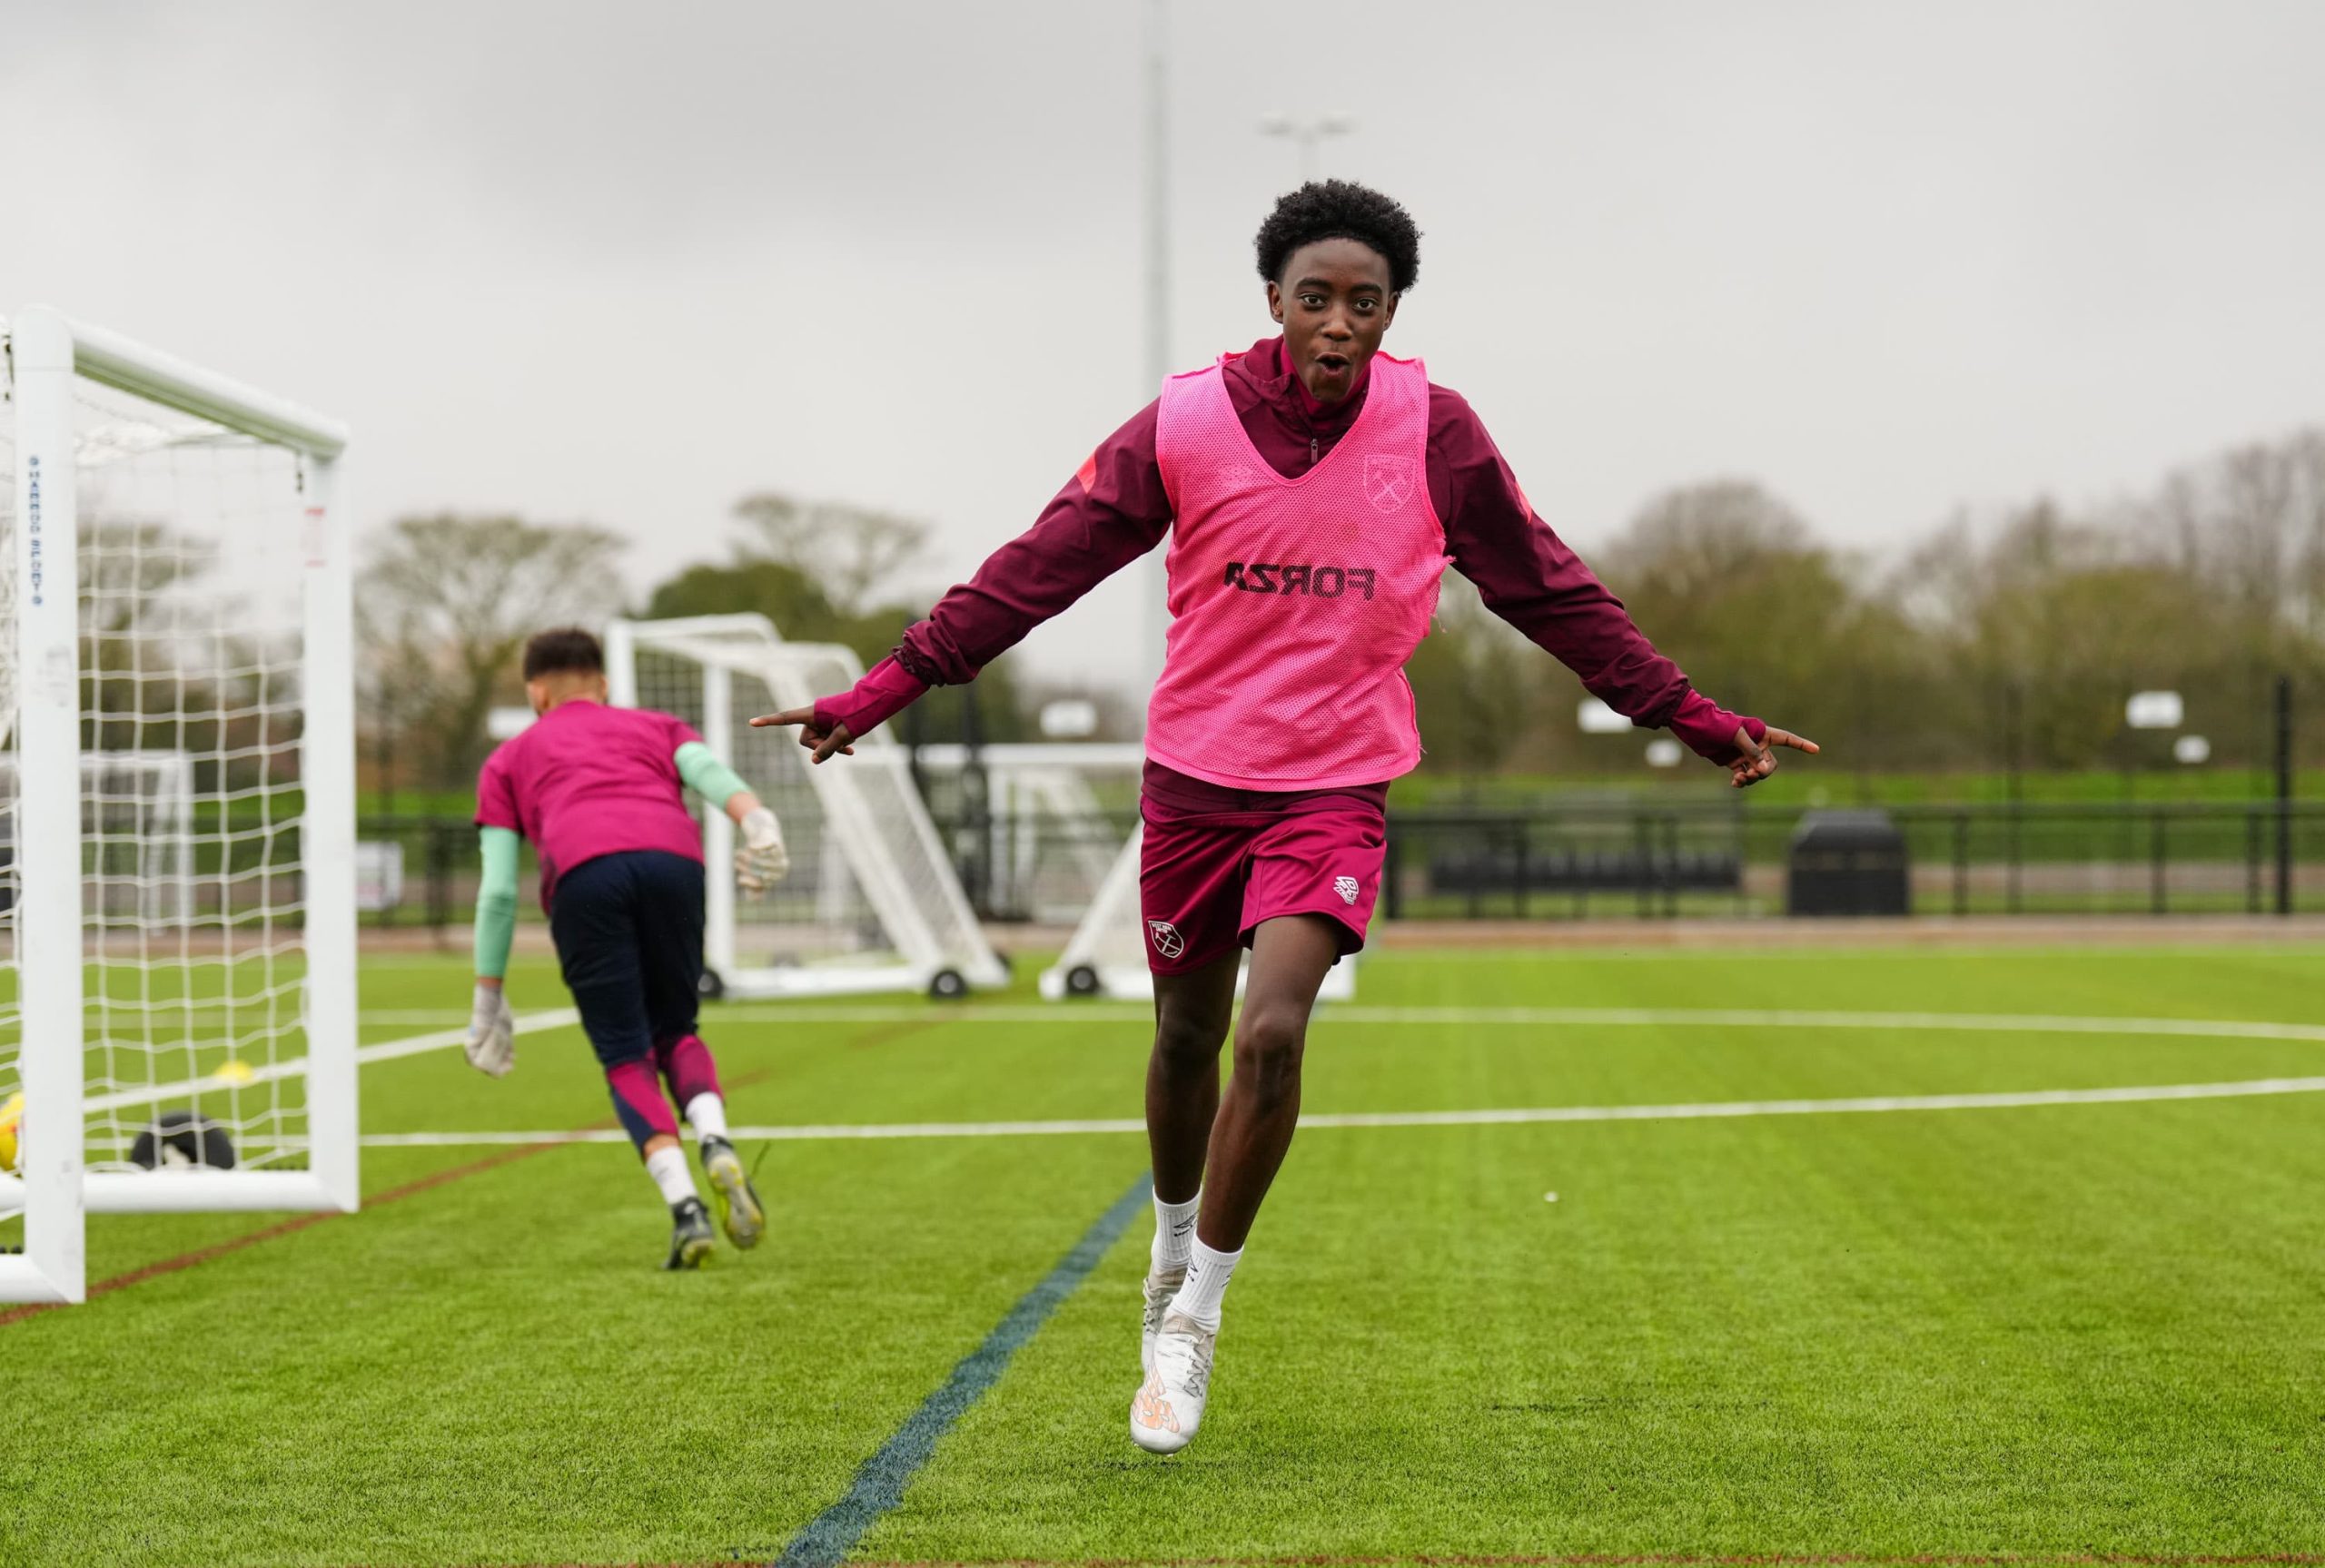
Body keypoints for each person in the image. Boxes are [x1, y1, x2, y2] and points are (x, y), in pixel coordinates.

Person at [755, 182, 1817, 1448]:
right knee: (1186, 1038)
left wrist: (1694, 717)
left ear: (1391, 315)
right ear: (1274, 299)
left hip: (1333, 787)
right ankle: (1167, 1244)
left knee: (1271, 1033)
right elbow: (1039, 566)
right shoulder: (1186, 421)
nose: (1339, 322)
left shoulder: (1438, 433)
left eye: (1366, 302)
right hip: (1194, 783)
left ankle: (1194, 1315)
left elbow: (1553, 592)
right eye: (1316, 297)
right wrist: (883, 688)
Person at [465, 626, 793, 1270]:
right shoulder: (657, 726)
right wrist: (757, 820)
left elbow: (499, 891)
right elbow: (707, 773)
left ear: (536, 692)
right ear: (604, 683)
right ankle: (716, 1140)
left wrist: (487, 998)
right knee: (678, 1029)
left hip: (585, 875)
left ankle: (687, 1208)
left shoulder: (508, 759)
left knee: (625, 1054)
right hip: (674, 862)